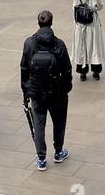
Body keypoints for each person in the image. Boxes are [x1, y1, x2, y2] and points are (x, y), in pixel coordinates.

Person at [21, 11, 72, 171]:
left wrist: (26, 89)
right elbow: (67, 69)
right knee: (59, 123)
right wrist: (66, 88)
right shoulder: (59, 44)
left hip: (36, 92)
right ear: (52, 23)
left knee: (39, 124)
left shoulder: (29, 43)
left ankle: (41, 158)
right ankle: (58, 152)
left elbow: (24, 68)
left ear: (38, 22)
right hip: (57, 92)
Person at [71, 0, 104, 82]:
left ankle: (82, 72)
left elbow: (74, 5)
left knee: (81, 47)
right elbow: (100, 7)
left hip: (79, 23)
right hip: (92, 23)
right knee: (94, 47)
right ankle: (96, 71)